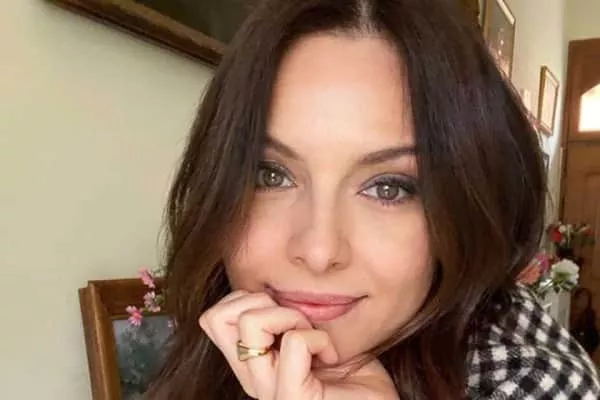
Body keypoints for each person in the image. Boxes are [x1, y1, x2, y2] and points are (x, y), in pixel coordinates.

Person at [147, 0, 600, 398]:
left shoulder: (526, 380)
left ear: (465, 206)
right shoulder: (217, 335)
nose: (319, 252)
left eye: (388, 187)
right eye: (270, 175)